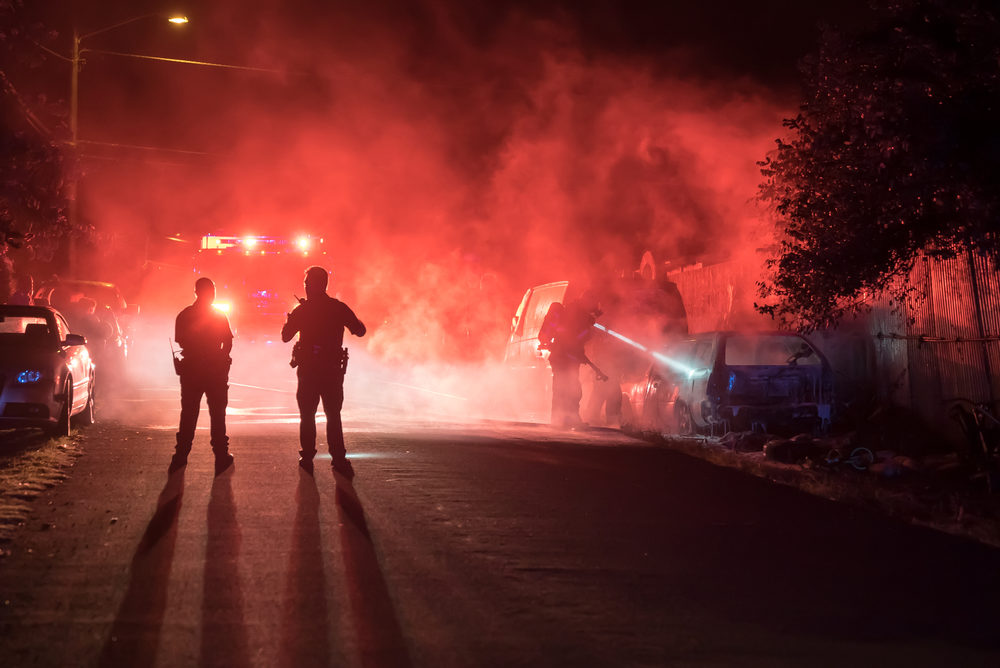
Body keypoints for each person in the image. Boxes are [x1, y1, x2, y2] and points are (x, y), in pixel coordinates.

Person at [281, 266, 366, 476]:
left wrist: (292, 318)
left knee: (307, 415)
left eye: (307, 283)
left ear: (314, 285)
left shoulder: (302, 310)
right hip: (331, 371)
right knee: (333, 415)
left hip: (309, 370)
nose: (305, 286)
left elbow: (285, 336)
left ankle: (307, 457)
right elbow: (360, 330)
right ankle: (338, 458)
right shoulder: (338, 308)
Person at [169, 277, 234, 475]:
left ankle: (181, 457)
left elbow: (180, 341)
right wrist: (222, 357)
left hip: (191, 369)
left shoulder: (184, 315)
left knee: (188, 413)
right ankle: (221, 456)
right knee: (217, 414)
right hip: (215, 370)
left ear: (196, 292)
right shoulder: (219, 316)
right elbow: (228, 342)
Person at [538, 291, 604, 428]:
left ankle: (561, 420)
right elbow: (574, 337)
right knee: (568, 388)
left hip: (566, 357)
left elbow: (576, 339)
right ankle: (564, 419)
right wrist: (587, 331)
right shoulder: (577, 314)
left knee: (565, 388)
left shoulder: (578, 313)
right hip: (564, 357)